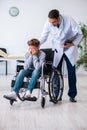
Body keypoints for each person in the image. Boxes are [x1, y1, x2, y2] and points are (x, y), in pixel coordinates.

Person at [39, 9, 83, 102]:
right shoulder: (48, 23)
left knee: (71, 72)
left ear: (58, 18)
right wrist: (37, 44)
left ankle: (72, 95)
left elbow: (79, 34)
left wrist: (72, 44)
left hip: (69, 48)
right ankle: (56, 95)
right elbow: (44, 36)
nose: (52, 24)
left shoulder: (69, 19)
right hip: (58, 48)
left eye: (54, 22)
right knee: (55, 71)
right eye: (50, 22)